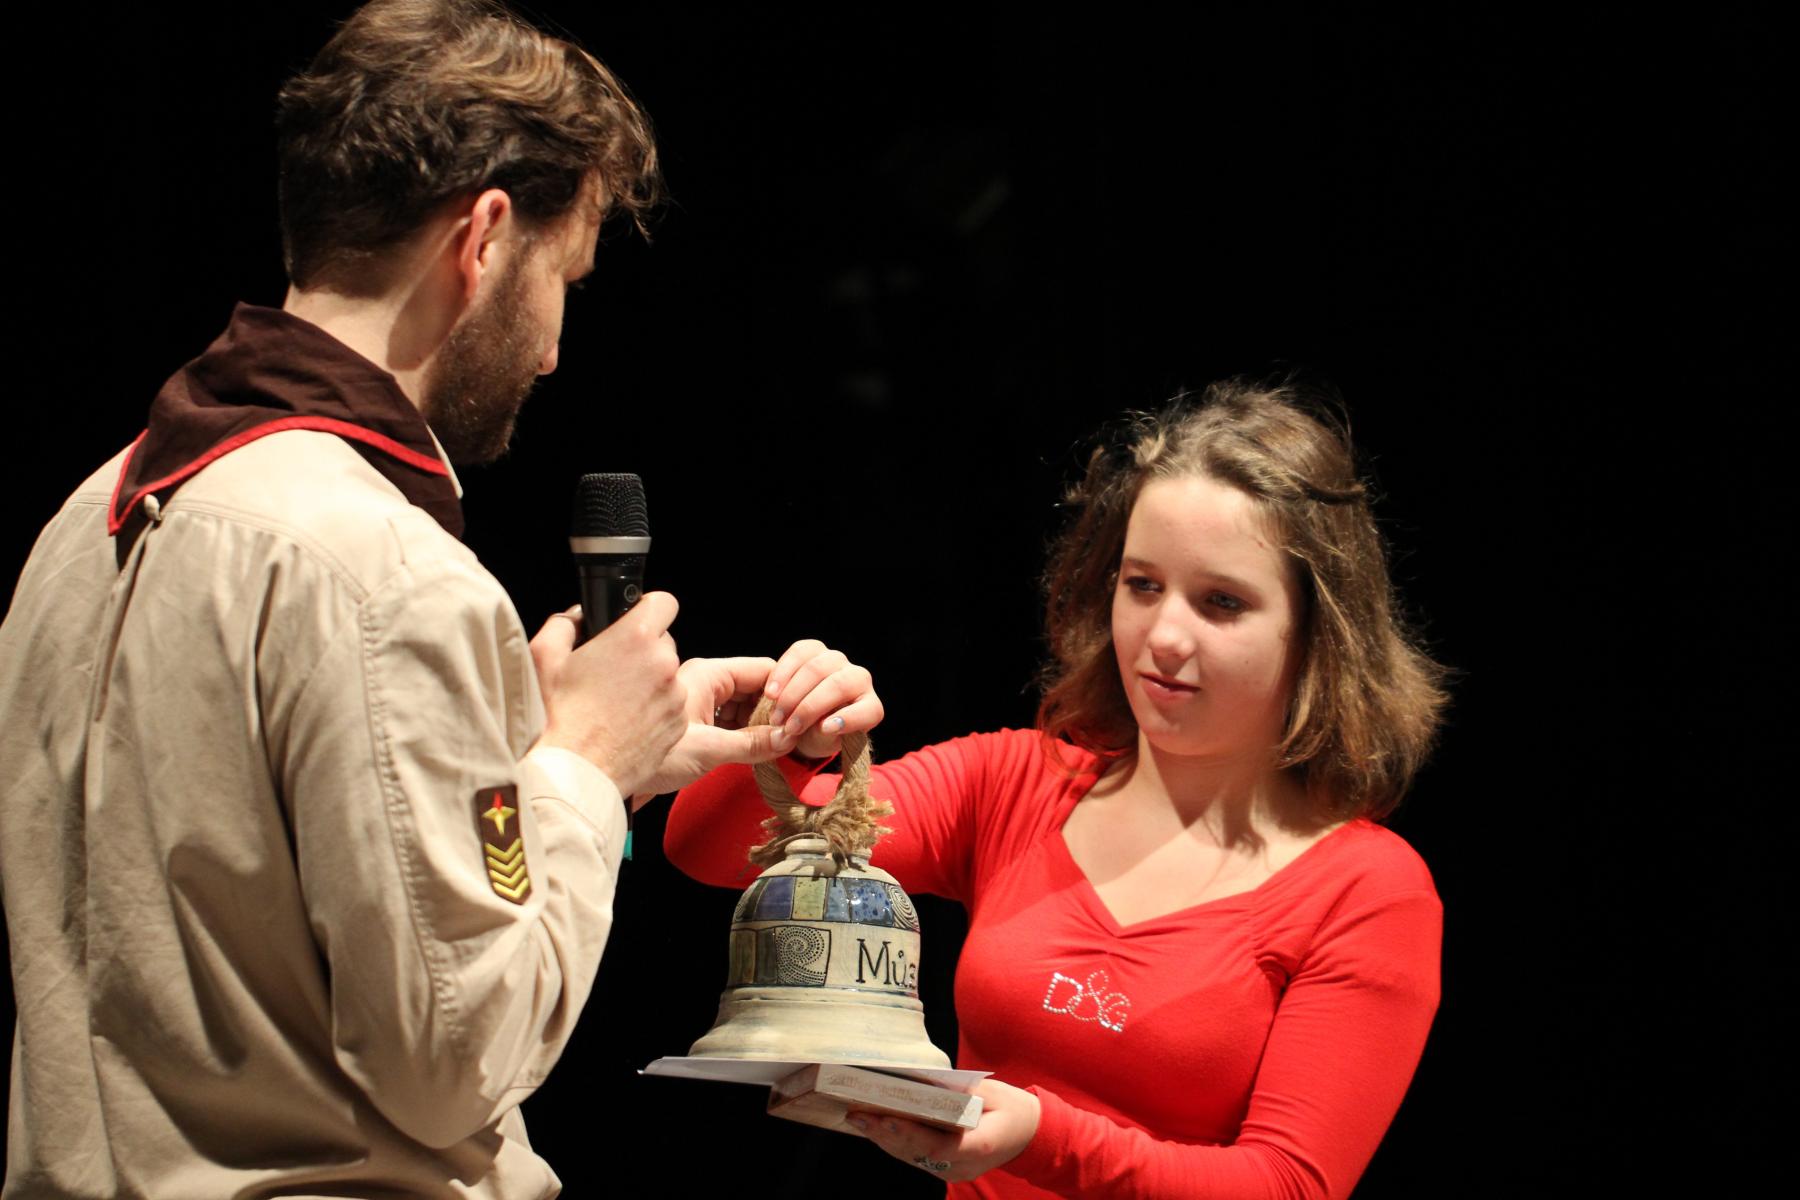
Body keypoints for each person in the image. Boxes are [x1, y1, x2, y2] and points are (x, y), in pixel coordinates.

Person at [0, 2, 792, 1196]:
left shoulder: (88, 518)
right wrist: (578, 771)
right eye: (563, 278)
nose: (553, 350)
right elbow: (456, 1057)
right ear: (484, 238)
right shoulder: (385, 567)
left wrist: (561, 753)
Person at [665, 378, 1450, 1198]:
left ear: (1318, 631)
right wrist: (793, 741)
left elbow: (1289, 1186)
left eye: (1221, 602)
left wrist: (1043, 1137)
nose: (1164, 635)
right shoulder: (1014, 784)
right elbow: (709, 852)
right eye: (1142, 584)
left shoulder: (1367, 892)